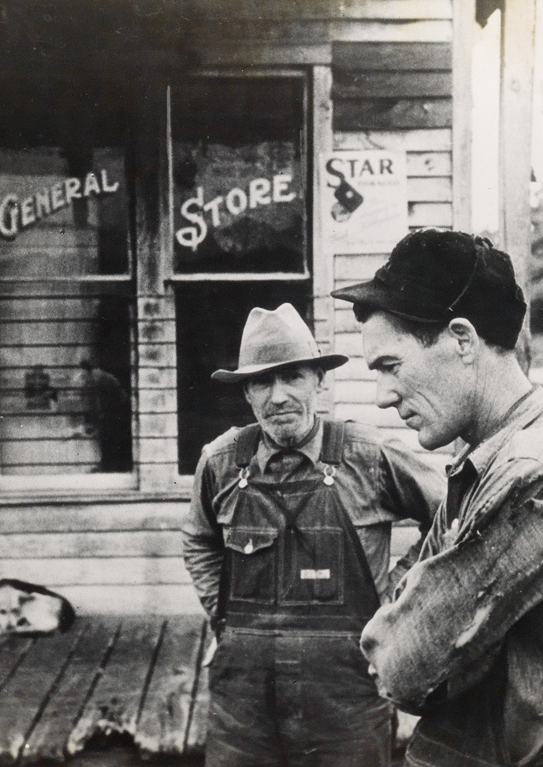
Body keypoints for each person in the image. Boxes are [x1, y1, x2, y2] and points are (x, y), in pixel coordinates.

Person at [331, 229, 543, 767]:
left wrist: (421, 627)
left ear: (462, 339)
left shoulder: (538, 476)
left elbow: (400, 665)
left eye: (391, 366)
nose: (384, 396)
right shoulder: (489, 464)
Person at [182, 302, 445, 767]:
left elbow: (451, 511)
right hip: (243, 700)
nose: (278, 396)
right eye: (262, 381)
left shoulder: (368, 454)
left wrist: (396, 602)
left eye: (293, 377)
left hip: (345, 694)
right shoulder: (221, 461)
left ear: (319, 382)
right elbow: (200, 541)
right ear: (246, 392)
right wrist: (220, 614)